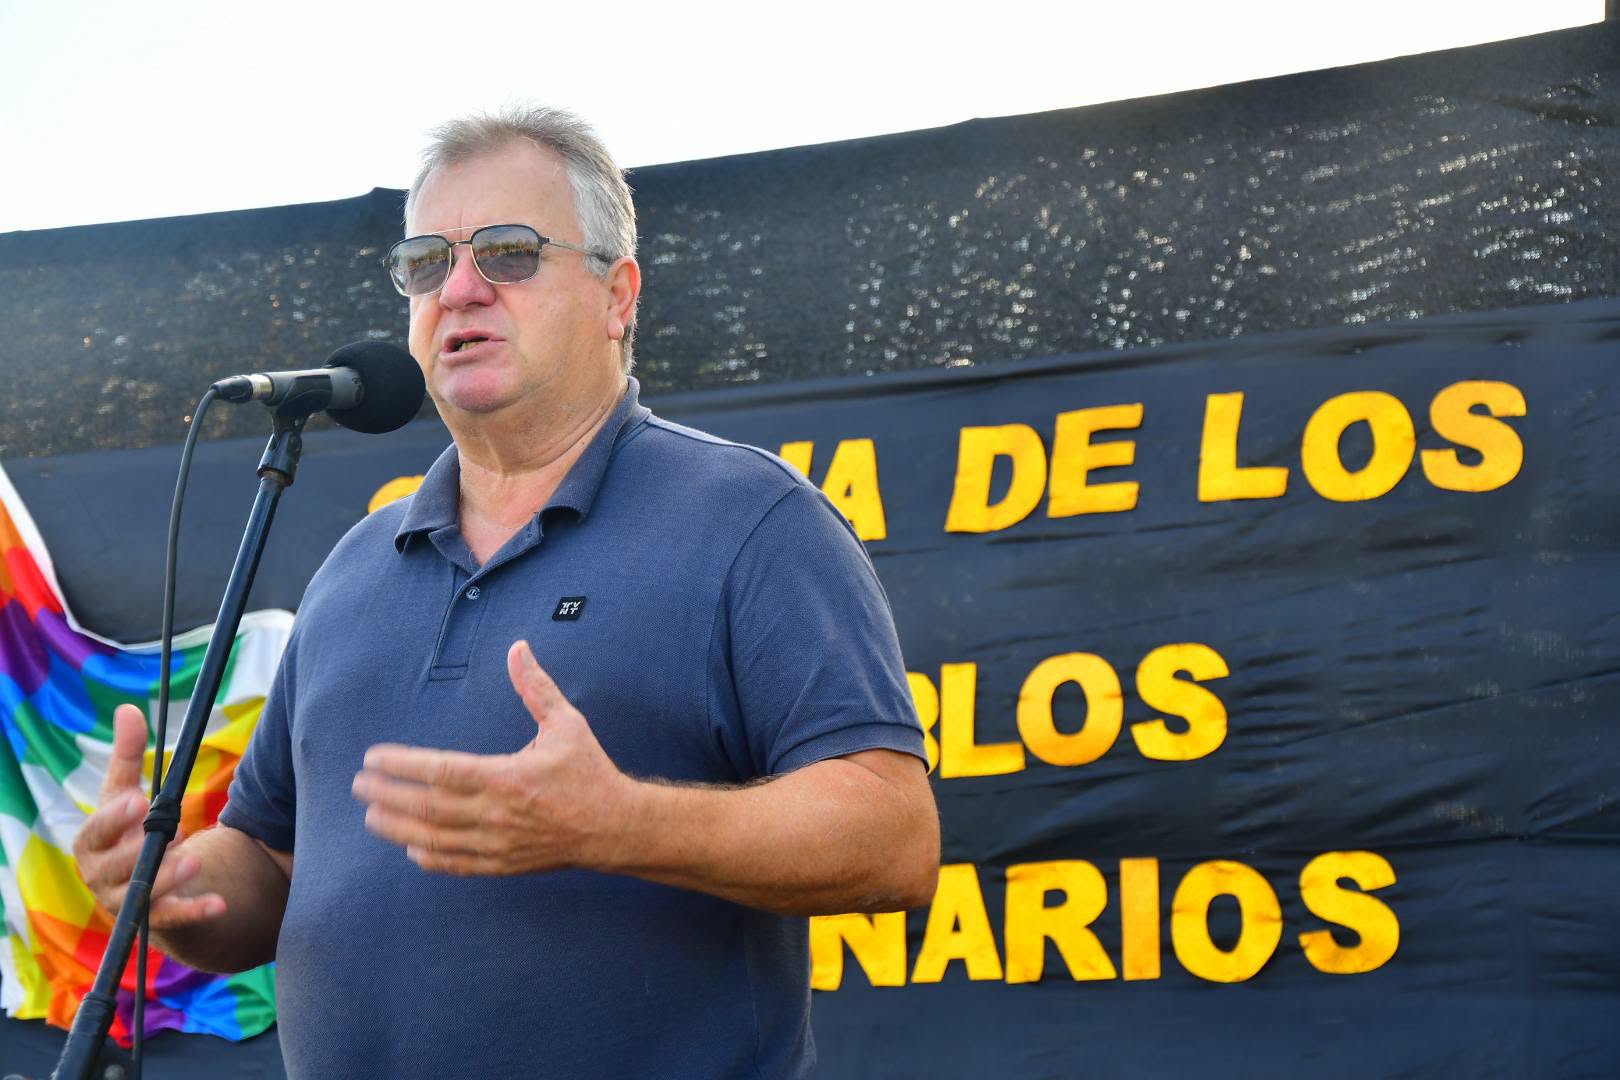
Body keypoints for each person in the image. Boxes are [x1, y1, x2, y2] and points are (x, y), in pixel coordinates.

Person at [73, 106, 939, 1077]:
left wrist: (621, 822)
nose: (459, 288)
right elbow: (271, 865)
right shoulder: (356, 568)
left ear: (617, 295)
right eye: (425, 263)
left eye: (509, 252)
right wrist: (171, 888)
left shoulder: (751, 519)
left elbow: (894, 838)